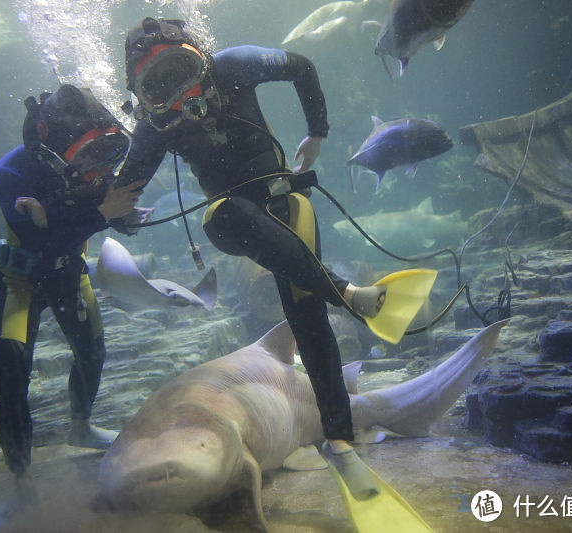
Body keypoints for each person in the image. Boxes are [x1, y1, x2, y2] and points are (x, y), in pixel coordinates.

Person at [116, 18, 390, 491]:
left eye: (180, 69)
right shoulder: (155, 127)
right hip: (228, 217)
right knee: (228, 213)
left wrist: (317, 131)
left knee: (308, 322)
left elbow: (301, 67)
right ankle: (346, 292)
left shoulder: (233, 65)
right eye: (158, 86)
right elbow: (125, 190)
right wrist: (121, 216)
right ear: (143, 96)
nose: (179, 94)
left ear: (198, 57)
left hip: (287, 204)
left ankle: (340, 442)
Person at [0, 84, 147, 498]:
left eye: (105, 152)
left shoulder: (93, 170)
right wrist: (100, 213)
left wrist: (124, 217)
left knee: (93, 352)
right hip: (20, 282)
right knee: (12, 368)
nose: (96, 167)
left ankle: (81, 427)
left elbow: (83, 220)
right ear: (52, 141)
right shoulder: (9, 174)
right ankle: (21, 472)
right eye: (88, 154)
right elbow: (39, 240)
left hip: (68, 275)